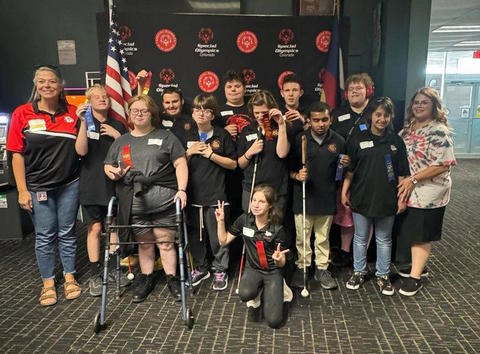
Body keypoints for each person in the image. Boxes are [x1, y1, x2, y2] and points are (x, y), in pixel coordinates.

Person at [7, 65, 81, 306]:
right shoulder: (22, 113)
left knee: (67, 233)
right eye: (41, 81)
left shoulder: (72, 112)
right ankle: (48, 282)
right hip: (38, 186)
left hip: (69, 183)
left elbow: (81, 147)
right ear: (36, 85)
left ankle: (70, 276)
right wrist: (22, 190)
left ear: (61, 86)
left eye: (52, 81)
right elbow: (16, 154)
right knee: (45, 235)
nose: (46, 86)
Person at [104, 95, 188, 303]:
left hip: (165, 203)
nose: (139, 114)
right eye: (135, 111)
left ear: (152, 114)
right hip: (135, 205)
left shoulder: (166, 137)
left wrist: (182, 189)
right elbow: (108, 166)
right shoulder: (122, 141)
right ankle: (147, 278)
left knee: (166, 242)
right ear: (130, 115)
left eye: (143, 111)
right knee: (144, 243)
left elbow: (181, 164)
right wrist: (112, 172)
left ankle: (172, 278)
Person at [342, 97, 410, 295]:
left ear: (391, 117)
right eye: (378, 114)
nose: (381, 119)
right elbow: (351, 171)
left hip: (387, 199)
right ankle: (359, 271)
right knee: (361, 238)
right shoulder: (358, 139)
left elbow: (402, 174)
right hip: (361, 197)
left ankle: (382, 275)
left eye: (386, 115)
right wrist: (344, 191)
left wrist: (401, 199)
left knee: (384, 239)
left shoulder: (396, 141)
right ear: (371, 116)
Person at [396, 87, 456, 296]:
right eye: (417, 102)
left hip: (430, 191)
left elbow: (444, 164)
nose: (419, 106)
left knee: (420, 234)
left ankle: (415, 279)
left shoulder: (439, 130)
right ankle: (419, 267)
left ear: (434, 107)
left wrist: (413, 179)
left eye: (425, 102)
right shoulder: (408, 128)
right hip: (410, 188)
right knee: (411, 230)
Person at [75, 84, 130, 297]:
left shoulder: (118, 125)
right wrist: (82, 123)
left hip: (115, 185)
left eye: (105, 96)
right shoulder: (85, 123)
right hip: (91, 185)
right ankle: (95, 273)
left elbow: (128, 157)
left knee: (114, 226)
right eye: (97, 97)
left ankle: (115, 268)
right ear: (89, 102)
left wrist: (118, 136)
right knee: (95, 229)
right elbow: (80, 151)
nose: (102, 99)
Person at [290, 102, 347, 291]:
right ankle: (303, 267)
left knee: (323, 237)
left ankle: (322, 268)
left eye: (324, 120)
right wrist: (297, 175)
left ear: (330, 119)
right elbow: (288, 169)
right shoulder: (300, 139)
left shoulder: (338, 141)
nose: (321, 124)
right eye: (316, 120)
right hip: (304, 197)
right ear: (309, 121)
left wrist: (345, 164)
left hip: (327, 197)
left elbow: (341, 171)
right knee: (302, 237)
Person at [215, 185, 289, 328]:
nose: (255, 205)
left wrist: (279, 260)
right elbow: (223, 240)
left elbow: (282, 263)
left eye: (261, 202)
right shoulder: (244, 220)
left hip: (273, 271)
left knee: (274, 321)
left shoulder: (277, 229)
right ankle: (258, 290)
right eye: (254, 200)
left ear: (270, 206)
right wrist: (220, 222)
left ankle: (282, 288)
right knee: (245, 294)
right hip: (253, 268)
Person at [184, 93, 237, 291]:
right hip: (193, 196)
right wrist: (188, 153)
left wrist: (211, 154)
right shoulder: (187, 134)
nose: (201, 114)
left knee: (217, 236)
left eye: (206, 111)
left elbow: (233, 164)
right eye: (197, 110)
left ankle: (220, 269)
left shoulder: (222, 135)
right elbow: (178, 164)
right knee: (196, 237)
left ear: (212, 115)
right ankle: (200, 267)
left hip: (216, 195)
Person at [330, 73, 375, 267]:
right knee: (345, 213)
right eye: (351, 89)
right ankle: (345, 251)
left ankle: (362, 253)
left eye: (359, 88)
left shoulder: (376, 112)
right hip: (343, 172)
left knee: (366, 215)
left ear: (368, 90)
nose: (355, 91)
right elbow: (331, 141)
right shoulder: (338, 113)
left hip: (368, 172)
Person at [237, 90, 290, 215]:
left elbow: (282, 153)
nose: (260, 116)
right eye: (257, 113)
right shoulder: (247, 130)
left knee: (273, 228)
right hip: (252, 187)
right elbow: (241, 164)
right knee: (250, 226)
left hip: (275, 187)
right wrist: (250, 152)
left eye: (264, 113)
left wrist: (281, 124)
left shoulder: (281, 127)